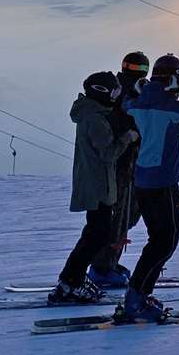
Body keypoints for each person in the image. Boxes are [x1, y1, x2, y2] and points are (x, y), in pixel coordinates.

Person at [117, 53, 179, 323]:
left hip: (142, 182)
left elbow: (126, 103)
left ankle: (137, 295)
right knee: (165, 242)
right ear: (175, 78)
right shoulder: (171, 107)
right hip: (163, 183)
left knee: (157, 241)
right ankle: (136, 300)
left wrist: (142, 88)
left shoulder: (139, 104)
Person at [49, 71, 138, 305]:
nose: (116, 96)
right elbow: (108, 153)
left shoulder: (92, 113)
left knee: (95, 234)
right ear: (102, 92)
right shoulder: (95, 119)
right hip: (97, 185)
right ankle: (70, 281)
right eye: (114, 91)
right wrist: (128, 138)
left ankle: (71, 279)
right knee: (96, 236)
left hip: (98, 183)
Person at [87, 51, 150, 289]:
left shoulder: (139, 90)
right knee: (120, 217)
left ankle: (108, 262)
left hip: (134, 164)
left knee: (131, 215)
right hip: (120, 165)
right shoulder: (119, 93)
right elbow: (120, 124)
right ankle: (103, 267)